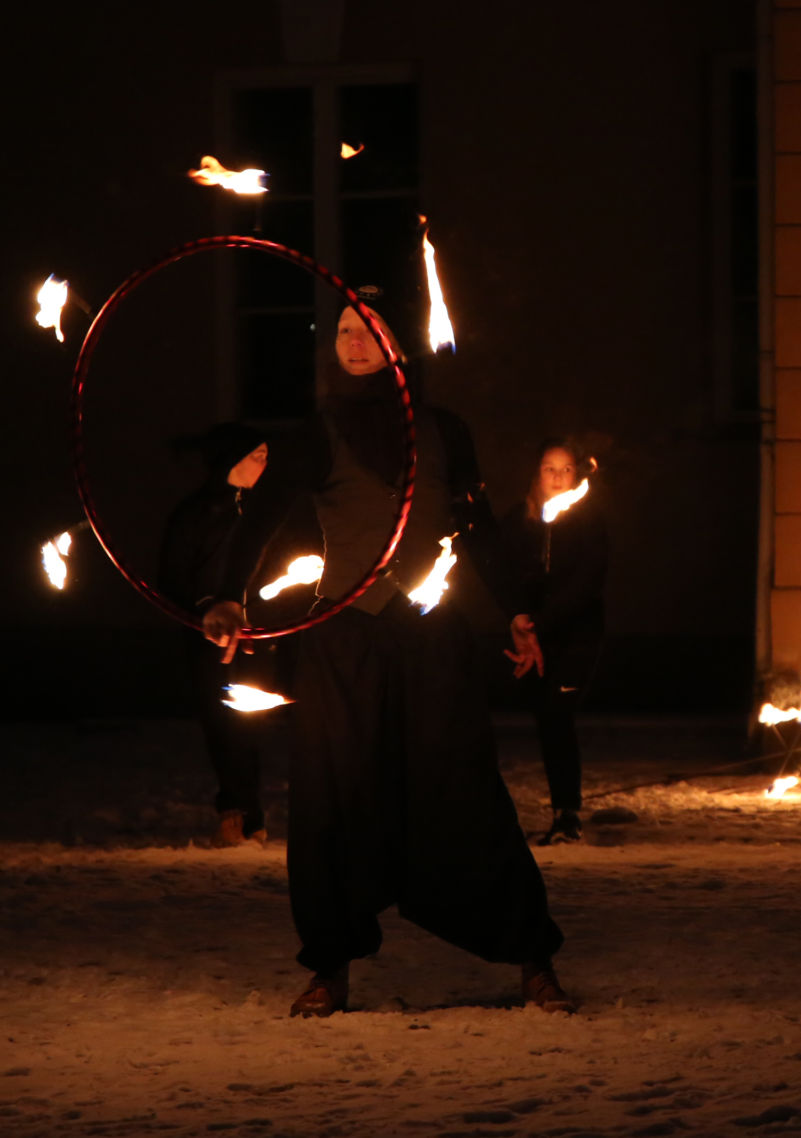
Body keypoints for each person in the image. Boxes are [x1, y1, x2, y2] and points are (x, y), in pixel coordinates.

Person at [200, 302, 572, 1016]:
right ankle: (329, 967)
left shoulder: (443, 430)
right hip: (346, 642)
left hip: (431, 636)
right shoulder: (318, 433)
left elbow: (477, 529)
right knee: (332, 797)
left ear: (398, 341)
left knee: (463, 787)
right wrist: (226, 594)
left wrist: (515, 610)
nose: (354, 341)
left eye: (369, 328)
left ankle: (533, 958)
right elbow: (267, 513)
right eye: (342, 330)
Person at [158, 422, 272, 847]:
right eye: (256, 455)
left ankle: (251, 816)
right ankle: (234, 812)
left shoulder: (265, 512)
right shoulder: (196, 514)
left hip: (259, 636)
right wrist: (207, 609)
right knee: (224, 723)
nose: (265, 463)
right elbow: (171, 576)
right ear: (232, 460)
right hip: (210, 639)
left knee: (251, 722)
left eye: (266, 455)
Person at [498, 439, 608, 846]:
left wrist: (541, 624)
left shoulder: (588, 521)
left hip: (575, 635)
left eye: (565, 469)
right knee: (546, 718)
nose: (558, 477)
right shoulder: (518, 523)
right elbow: (504, 577)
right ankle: (558, 810)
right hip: (530, 638)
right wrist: (521, 623)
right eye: (549, 468)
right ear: (536, 473)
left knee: (558, 712)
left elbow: (586, 583)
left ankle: (567, 814)